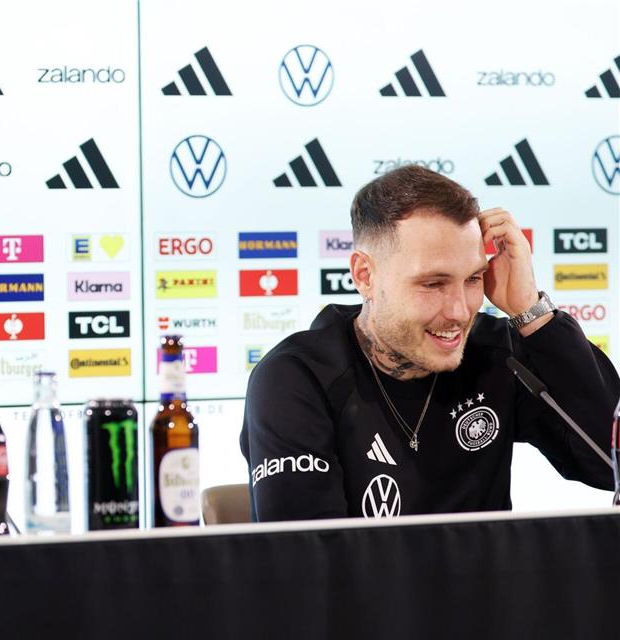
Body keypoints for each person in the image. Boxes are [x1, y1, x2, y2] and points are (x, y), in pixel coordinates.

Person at [240, 166, 619, 521]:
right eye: (433, 284)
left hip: (495, 591)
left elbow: (609, 465)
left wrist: (532, 313)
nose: (459, 311)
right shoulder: (296, 378)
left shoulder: (495, 354)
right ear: (365, 275)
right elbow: (304, 561)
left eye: (473, 279)